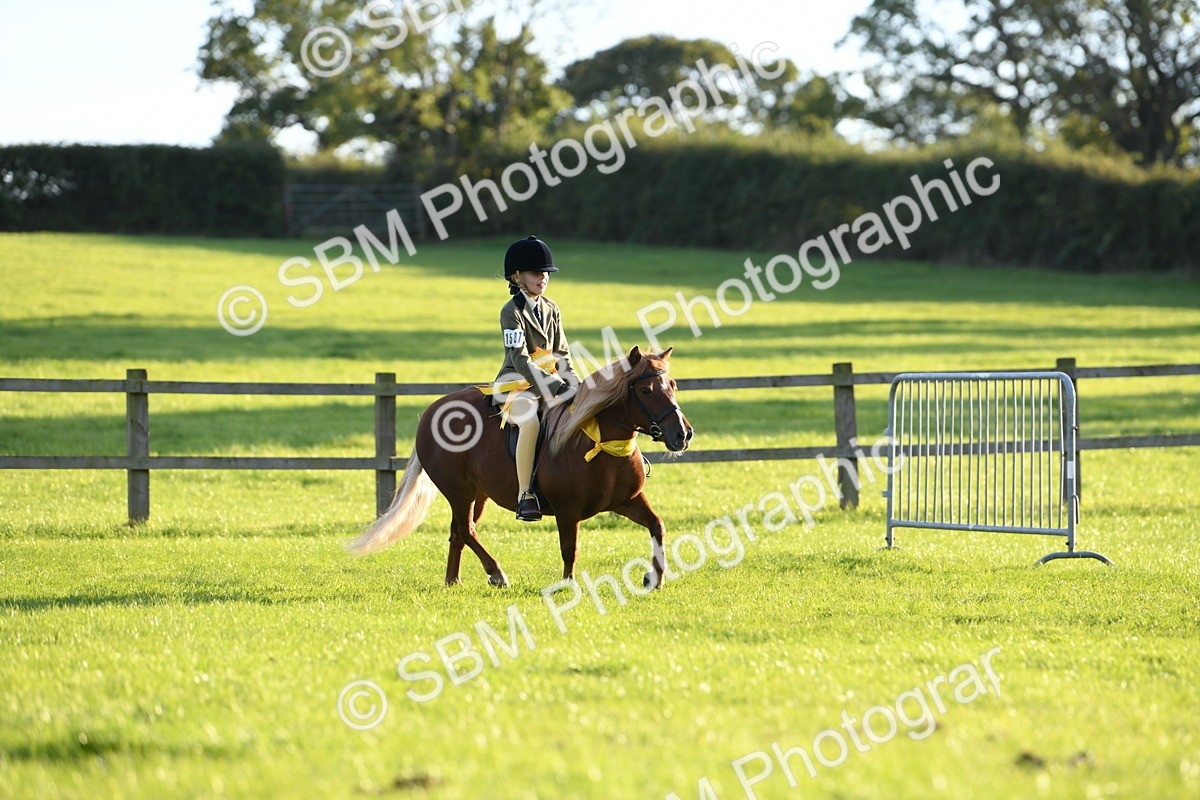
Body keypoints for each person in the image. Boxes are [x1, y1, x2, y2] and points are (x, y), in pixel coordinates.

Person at [492, 235, 579, 522]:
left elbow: (562, 353)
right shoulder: (511, 312)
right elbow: (520, 359)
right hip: (516, 385)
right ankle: (525, 495)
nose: (542, 278)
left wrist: (575, 386)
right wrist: (557, 386)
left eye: (545, 274)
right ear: (517, 276)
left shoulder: (552, 308)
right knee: (529, 421)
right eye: (535, 273)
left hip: (551, 384)